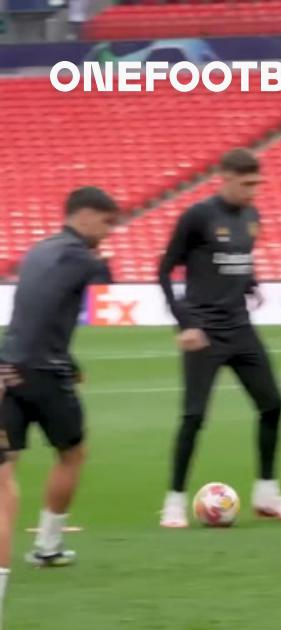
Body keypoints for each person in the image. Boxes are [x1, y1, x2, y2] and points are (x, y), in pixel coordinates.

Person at [157, 148, 281, 528]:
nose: (253, 191)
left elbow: (240, 258)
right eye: (246, 184)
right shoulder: (197, 216)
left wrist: (251, 283)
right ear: (224, 177)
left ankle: (268, 493)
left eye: (257, 183)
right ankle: (174, 502)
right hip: (204, 332)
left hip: (240, 327)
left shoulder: (253, 216)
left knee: (273, 405)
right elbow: (163, 271)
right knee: (194, 417)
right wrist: (184, 323)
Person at [0, 187, 119, 619]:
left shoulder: (38, 250)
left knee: (4, 471)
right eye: (106, 223)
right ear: (84, 216)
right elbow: (52, 306)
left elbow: (29, 310)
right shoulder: (79, 258)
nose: (109, 233)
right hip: (43, 375)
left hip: (8, 368)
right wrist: (55, 363)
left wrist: (12, 361)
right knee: (72, 453)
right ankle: (47, 546)